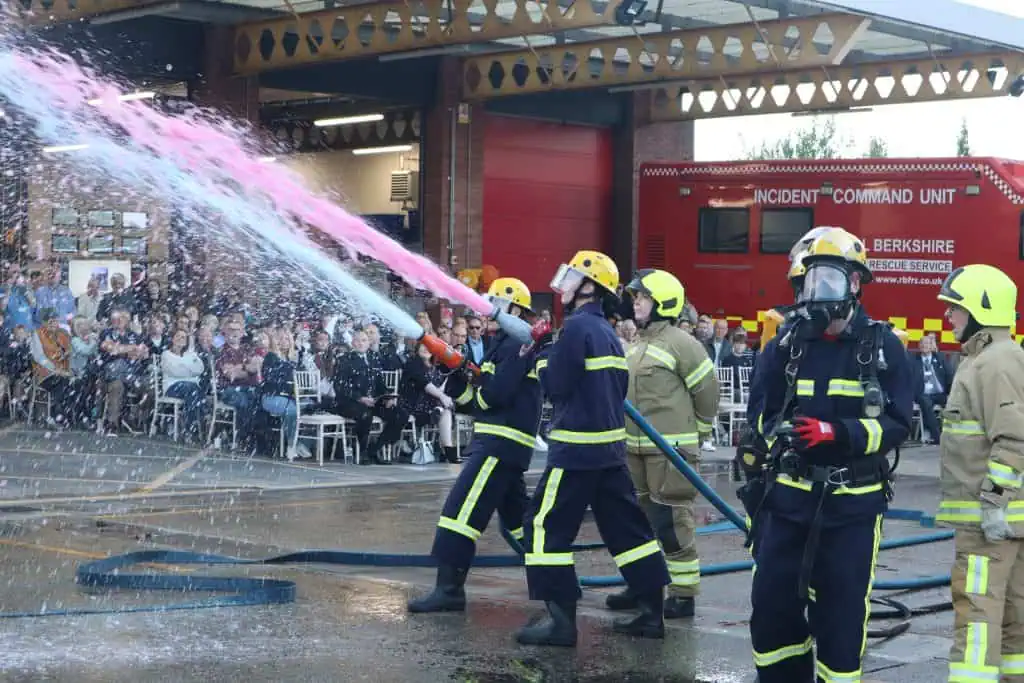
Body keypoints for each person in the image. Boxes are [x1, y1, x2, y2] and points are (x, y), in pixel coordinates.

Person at [746, 227, 913, 683]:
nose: (816, 293)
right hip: (787, 502)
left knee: (840, 615)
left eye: (829, 279)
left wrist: (838, 433)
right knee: (772, 608)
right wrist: (777, 434)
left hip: (852, 507)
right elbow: (759, 415)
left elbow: (899, 424)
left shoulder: (882, 347)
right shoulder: (785, 345)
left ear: (855, 283)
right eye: (807, 283)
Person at [516, 250, 670, 647]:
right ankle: (653, 613)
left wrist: (540, 354)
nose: (563, 287)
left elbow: (557, 385)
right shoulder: (608, 333)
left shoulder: (575, 329)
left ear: (590, 288)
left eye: (571, 279)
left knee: (542, 528)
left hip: (574, 453)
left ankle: (561, 621)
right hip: (609, 454)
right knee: (628, 530)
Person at [406, 277, 543, 613]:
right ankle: (557, 585)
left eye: (492, 303)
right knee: (519, 525)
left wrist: (473, 378)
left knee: (459, 514)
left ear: (512, 309)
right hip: (500, 440)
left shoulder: (517, 343)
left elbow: (494, 395)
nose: (484, 311)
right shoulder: (502, 344)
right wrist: (456, 374)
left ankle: (449, 590)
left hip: (501, 441)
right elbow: (473, 401)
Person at [605, 269, 718, 620]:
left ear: (663, 303)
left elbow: (708, 393)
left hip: (670, 450)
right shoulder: (638, 343)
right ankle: (643, 584)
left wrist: (696, 434)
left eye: (643, 297)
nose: (636, 301)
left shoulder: (682, 343)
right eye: (636, 296)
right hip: (634, 449)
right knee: (638, 522)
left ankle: (683, 594)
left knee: (670, 520)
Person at [934, 264, 1024, 682]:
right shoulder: (999, 357)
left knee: (977, 614)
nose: (949, 317)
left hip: (988, 524)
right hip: (1006, 522)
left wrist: (993, 501)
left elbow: (1014, 439)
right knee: (1012, 617)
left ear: (979, 310)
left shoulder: (992, 364)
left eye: (955, 308)